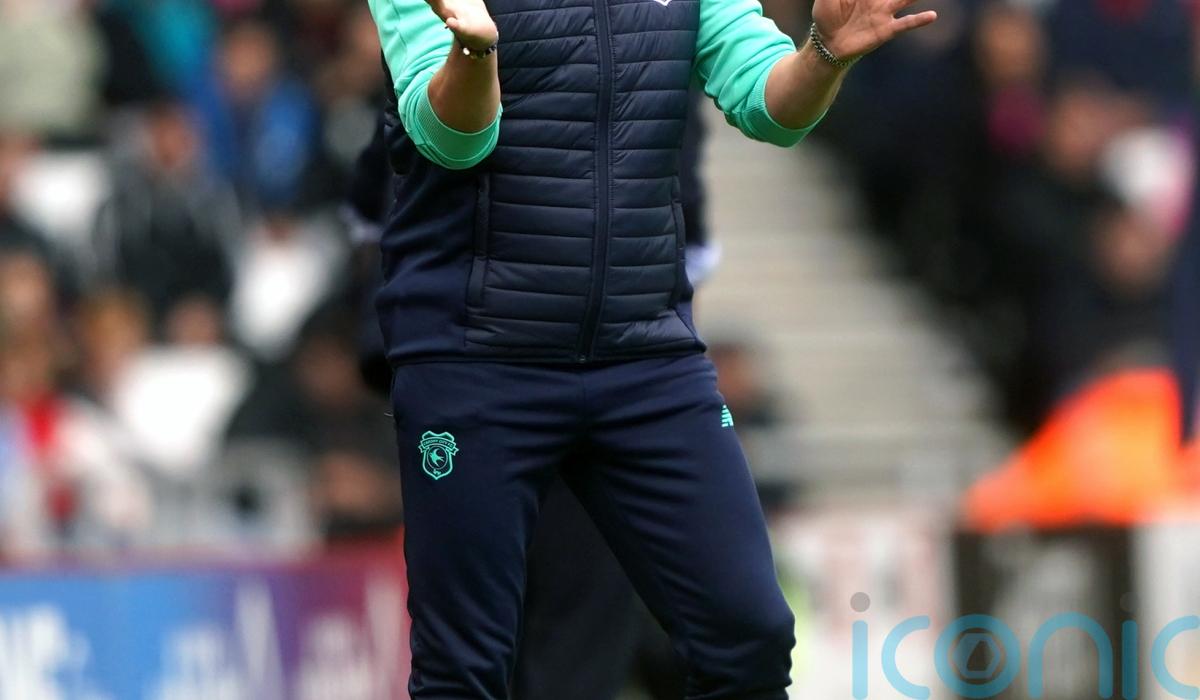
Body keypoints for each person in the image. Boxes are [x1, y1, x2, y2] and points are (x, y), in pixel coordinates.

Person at [365, 0, 937, 697]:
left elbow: (770, 109)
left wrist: (823, 54)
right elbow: (452, 140)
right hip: (473, 355)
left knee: (750, 633)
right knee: (464, 667)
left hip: (645, 356)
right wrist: (477, 51)